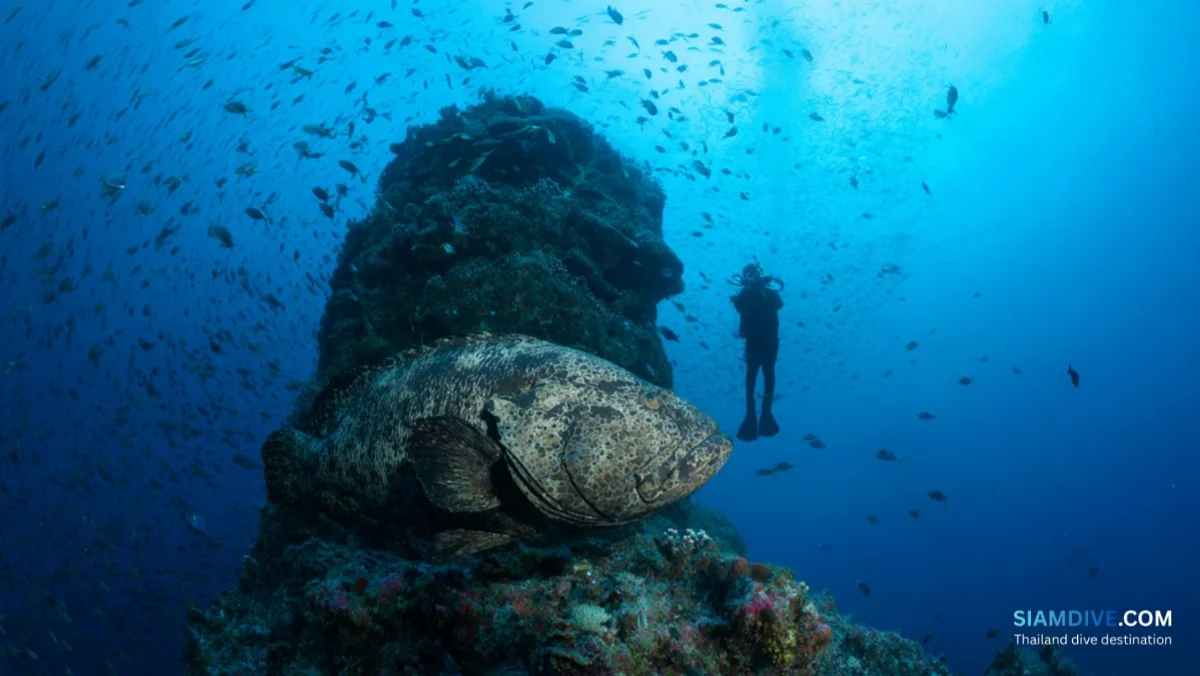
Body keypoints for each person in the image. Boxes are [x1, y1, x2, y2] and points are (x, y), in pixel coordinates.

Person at [730, 262, 783, 442]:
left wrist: (764, 286)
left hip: (769, 340)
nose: (754, 275)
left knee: (768, 372)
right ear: (745, 277)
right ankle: (750, 413)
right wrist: (749, 289)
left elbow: (779, 304)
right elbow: (739, 306)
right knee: (752, 375)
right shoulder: (743, 295)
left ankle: (766, 411)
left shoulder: (770, 293)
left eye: (756, 272)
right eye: (750, 273)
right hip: (754, 341)